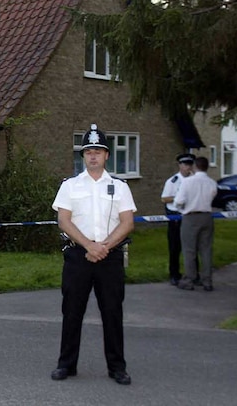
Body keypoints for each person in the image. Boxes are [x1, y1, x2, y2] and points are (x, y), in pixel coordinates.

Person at [50, 124, 136, 385]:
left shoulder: (120, 187)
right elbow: (64, 220)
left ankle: (117, 367)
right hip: (78, 257)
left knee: (112, 313)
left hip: (109, 258)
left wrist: (104, 247)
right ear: (83, 156)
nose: (93, 155)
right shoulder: (70, 186)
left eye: (98, 151)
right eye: (88, 151)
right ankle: (66, 365)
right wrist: (89, 246)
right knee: (72, 311)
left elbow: (127, 223)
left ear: (107, 155)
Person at [174, 156, 218, 291]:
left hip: (190, 217)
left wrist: (182, 209)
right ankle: (207, 281)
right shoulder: (212, 182)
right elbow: (213, 196)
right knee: (206, 249)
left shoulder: (188, 182)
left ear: (195, 166)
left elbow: (179, 201)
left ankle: (190, 279)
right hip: (206, 216)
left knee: (189, 250)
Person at [161, 153, 196, 285]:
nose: (188, 167)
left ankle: (194, 274)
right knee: (175, 248)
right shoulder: (173, 181)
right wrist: (179, 198)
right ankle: (174, 274)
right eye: (185, 164)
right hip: (175, 217)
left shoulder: (194, 179)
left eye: (190, 164)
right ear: (179, 165)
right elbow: (164, 198)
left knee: (192, 247)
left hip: (190, 216)